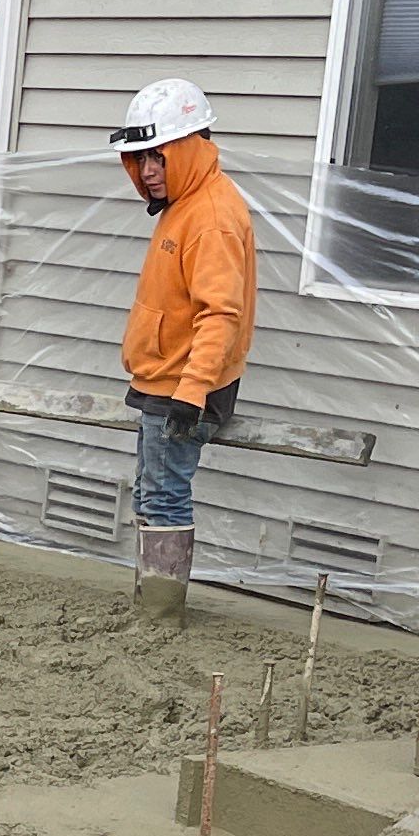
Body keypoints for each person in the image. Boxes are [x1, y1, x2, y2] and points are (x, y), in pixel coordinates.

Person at [112, 76, 255, 623]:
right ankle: (150, 604)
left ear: (189, 148)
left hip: (184, 389)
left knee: (165, 498)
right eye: (140, 159)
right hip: (163, 380)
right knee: (151, 495)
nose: (147, 170)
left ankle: (161, 616)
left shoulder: (212, 216)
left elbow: (221, 314)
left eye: (158, 157)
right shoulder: (186, 203)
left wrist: (192, 393)